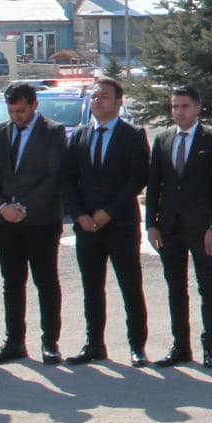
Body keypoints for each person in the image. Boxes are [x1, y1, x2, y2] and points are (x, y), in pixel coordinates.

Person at [63, 76, 151, 367]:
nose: (97, 101)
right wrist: (80, 215)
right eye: (94, 96)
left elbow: (136, 179)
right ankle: (94, 344)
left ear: (118, 102)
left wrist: (108, 212)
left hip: (120, 225)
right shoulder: (80, 135)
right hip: (87, 228)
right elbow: (69, 181)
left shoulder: (133, 135)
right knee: (92, 288)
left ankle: (137, 346)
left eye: (103, 96)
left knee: (130, 286)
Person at [0, 82, 68, 365]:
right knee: (12, 283)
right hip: (6, 223)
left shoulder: (53, 132)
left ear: (34, 105)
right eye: (12, 111)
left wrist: (24, 208)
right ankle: (14, 342)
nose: (17, 116)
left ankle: (50, 342)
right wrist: (4, 207)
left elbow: (55, 177)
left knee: (46, 282)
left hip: (41, 221)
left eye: (21, 110)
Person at [144, 84, 212, 369]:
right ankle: (181, 347)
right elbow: (154, 184)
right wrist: (151, 225)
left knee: (207, 286)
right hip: (169, 228)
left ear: (197, 107)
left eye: (185, 106)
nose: (179, 112)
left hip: (201, 229)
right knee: (175, 288)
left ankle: (210, 348)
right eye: (175, 107)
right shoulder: (163, 139)